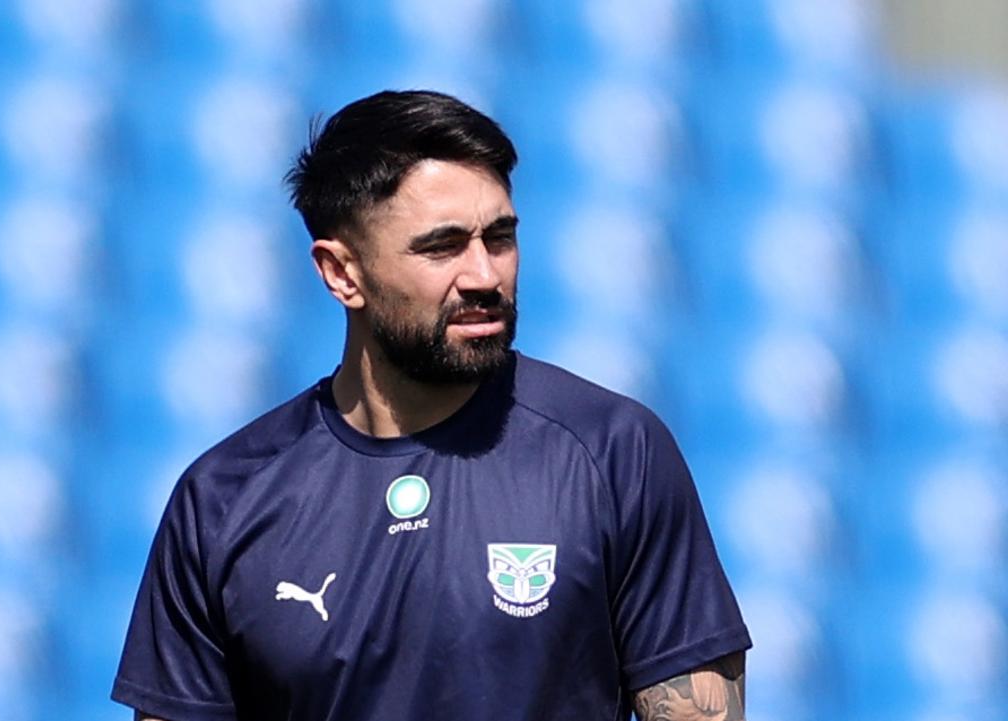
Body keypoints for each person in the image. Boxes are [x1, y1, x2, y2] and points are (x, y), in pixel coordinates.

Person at [113, 89, 751, 721]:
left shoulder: (613, 452)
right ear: (342, 273)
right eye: (442, 246)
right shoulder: (224, 498)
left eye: (499, 238)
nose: (483, 275)